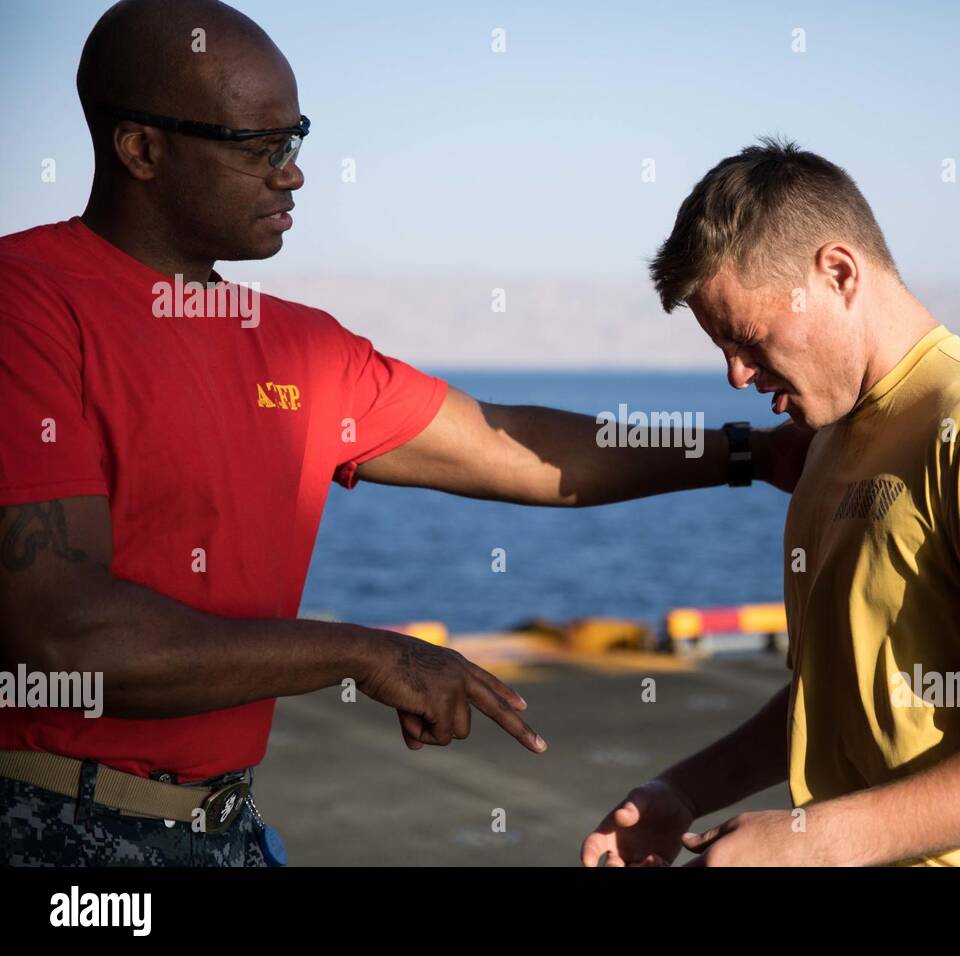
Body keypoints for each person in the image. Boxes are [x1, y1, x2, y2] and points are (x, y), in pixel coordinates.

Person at [0, 0, 809, 866]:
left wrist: (748, 453)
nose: (293, 175)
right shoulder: (28, 306)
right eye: (259, 149)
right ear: (142, 149)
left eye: (296, 140)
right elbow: (65, 633)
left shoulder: (298, 344)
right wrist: (362, 652)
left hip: (224, 828)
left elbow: (511, 443)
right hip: (55, 825)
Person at [581, 138, 960, 867]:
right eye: (721, 349)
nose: (736, 376)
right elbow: (841, 700)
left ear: (838, 273)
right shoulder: (826, 443)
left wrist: (818, 841)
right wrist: (682, 791)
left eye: (747, 339)